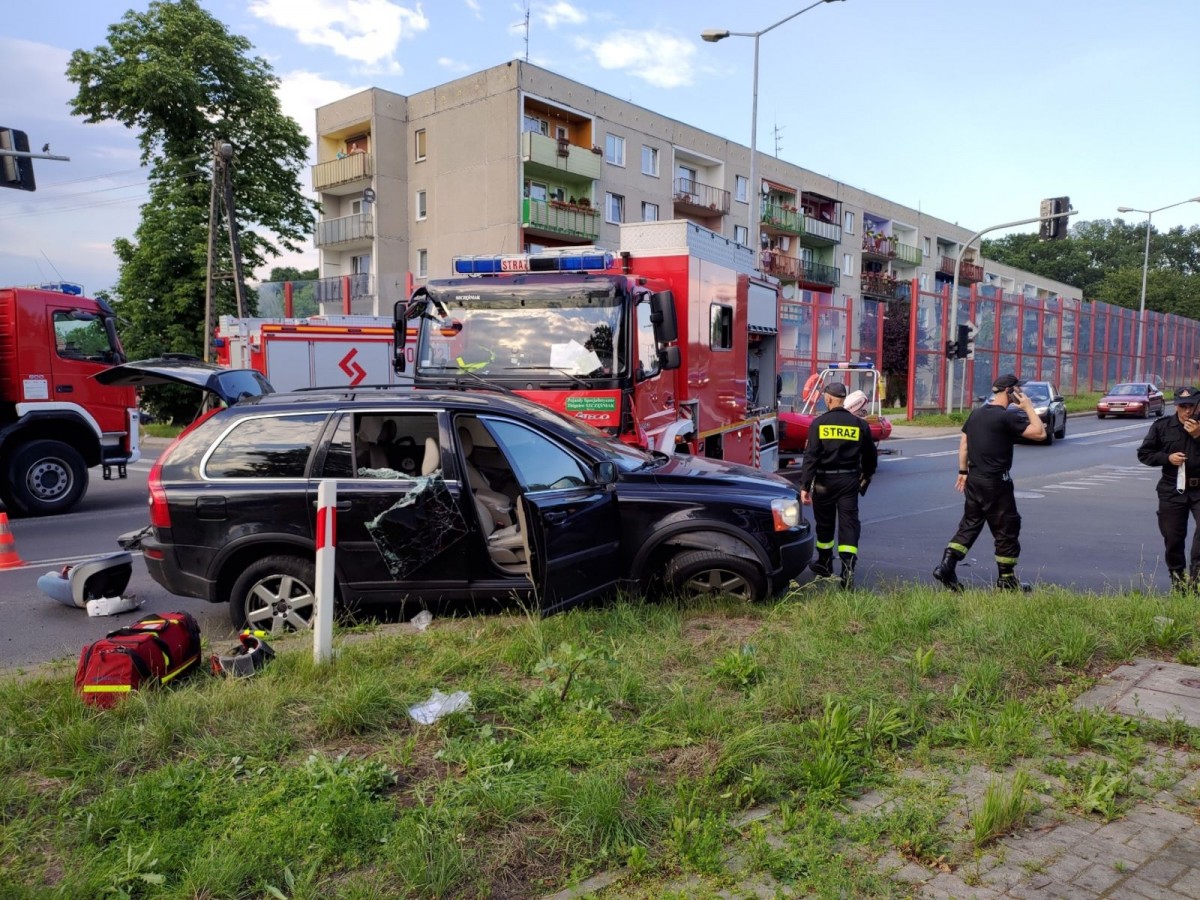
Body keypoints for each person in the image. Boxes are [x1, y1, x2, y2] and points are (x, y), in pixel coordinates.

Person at [933, 373, 1046, 592]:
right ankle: (1007, 580)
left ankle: (947, 565)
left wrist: (963, 471)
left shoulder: (976, 414)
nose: (1022, 393)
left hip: (975, 480)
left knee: (971, 523)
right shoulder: (1007, 416)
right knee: (1007, 526)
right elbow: (1040, 433)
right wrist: (1028, 407)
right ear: (1009, 391)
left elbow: (964, 442)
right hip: (997, 483)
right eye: (1019, 389)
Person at [799, 382, 878, 589]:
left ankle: (824, 563)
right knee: (849, 524)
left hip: (825, 482)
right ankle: (848, 570)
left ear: (828, 399)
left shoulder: (819, 424)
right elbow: (871, 456)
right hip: (849, 481)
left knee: (824, 524)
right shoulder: (859, 424)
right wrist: (866, 476)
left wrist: (805, 486)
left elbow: (811, 457)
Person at [1137, 386, 1200, 591]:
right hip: (1172, 489)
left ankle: (1197, 583)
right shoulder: (1162, 426)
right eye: (1183, 406)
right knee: (1173, 539)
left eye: (1191, 406)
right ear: (1176, 406)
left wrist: (1198, 436)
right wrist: (1167, 458)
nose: (1187, 411)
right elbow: (1145, 454)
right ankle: (1178, 583)